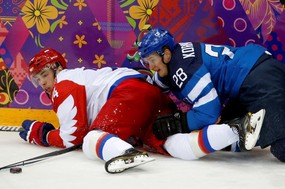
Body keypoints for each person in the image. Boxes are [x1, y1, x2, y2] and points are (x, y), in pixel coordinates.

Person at [19, 48, 262, 174]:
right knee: (171, 144)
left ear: (57, 68)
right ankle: (234, 131)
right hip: (147, 94)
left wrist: (38, 132)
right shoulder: (78, 78)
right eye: (37, 79)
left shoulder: (64, 84)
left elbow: (74, 136)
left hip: (127, 95)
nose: (42, 82)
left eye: (44, 75)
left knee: (92, 140)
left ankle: (125, 153)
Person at [138, 28, 285, 162]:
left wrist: (178, 122)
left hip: (257, 77)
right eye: (147, 63)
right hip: (248, 78)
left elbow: (208, 114)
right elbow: (154, 87)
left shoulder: (183, 69)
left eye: (152, 60)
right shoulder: (172, 62)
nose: (151, 67)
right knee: (230, 135)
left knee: (282, 148)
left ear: (167, 54)